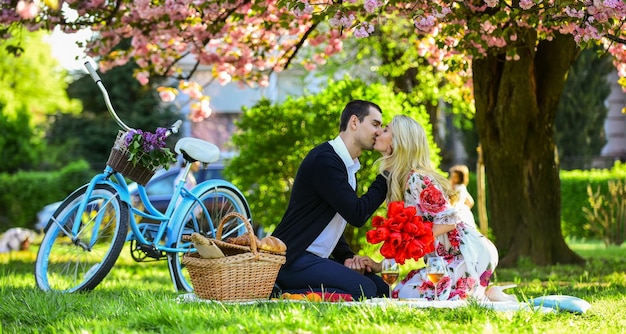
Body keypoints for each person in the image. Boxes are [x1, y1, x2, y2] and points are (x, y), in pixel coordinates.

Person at [366, 115, 498, 301]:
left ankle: (482, 293)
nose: (379, 131)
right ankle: (484, 292)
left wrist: (414, 239)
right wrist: (381, 266)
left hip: (467, 255)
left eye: (386, 129)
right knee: (400, 292)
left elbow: (450, 221)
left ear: (399, 142)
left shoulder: (416, 179)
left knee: (405, 295)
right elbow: (405, 236)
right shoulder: (400, 180)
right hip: (444, 260)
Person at [272, 100, 390, 300]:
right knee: (364, 291)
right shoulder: (326, 160)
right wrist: (387, 174)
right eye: (375, 124)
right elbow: (357, 214)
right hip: (293, 258)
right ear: (354, 122)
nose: (378, 132)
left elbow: (329, 220)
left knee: (381, 288)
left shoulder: (348, 165)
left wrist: (346, 257)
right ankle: (281, 292)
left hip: (314, 260)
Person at [448, 164, 477, 229]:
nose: (452, 179)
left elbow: (460, 202)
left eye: (455, 177)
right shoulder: (455, 186)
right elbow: (470, 202)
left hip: (459, 211)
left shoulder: (460, 187)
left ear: (460, 179)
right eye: (452, 176)